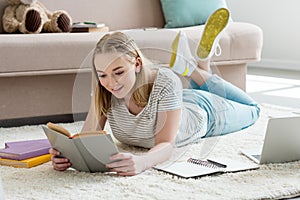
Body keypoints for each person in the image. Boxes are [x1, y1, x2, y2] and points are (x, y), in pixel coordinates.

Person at [49, 8, 260, 176]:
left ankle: (193, 69)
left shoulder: (166, 82)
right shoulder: (104, 89)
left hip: (204, 112)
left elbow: (166, 145)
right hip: (174, 104)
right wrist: (68, 156)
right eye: (102, 74)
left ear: (137, 64)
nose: (111, 83)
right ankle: (198, 66)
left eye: (119, 72)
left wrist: (142, 162)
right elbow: (87, 140)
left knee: (254, 109)